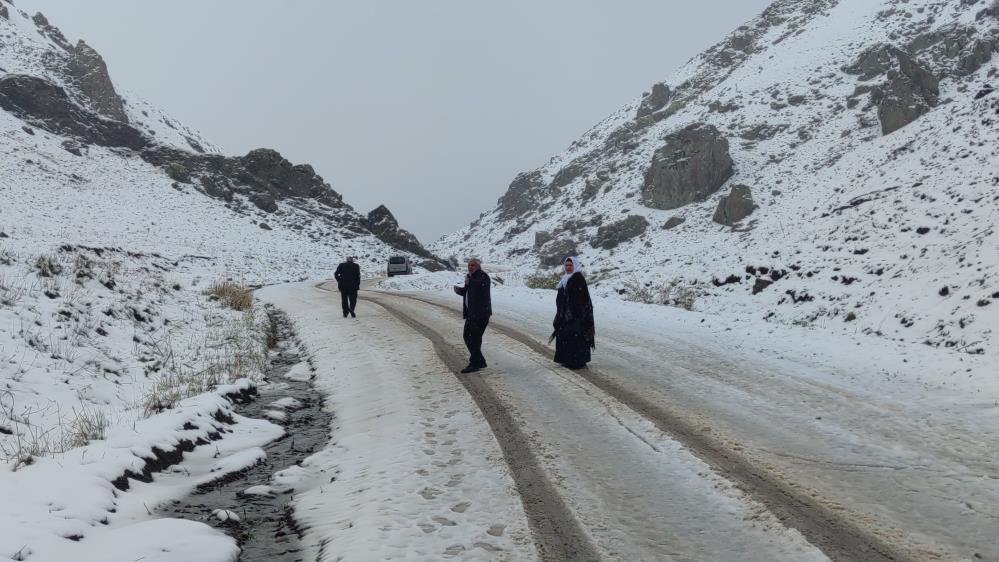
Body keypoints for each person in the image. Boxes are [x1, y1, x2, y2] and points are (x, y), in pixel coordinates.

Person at [551, 256, 595, 369]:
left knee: (575, 336)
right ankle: (567, 359)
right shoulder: (565, 278)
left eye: (570, 265)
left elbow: (579, 298)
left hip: (577, 315)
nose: (568, 267)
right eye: (566, 265)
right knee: (566, 335)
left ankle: (577, 361)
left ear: (575, 266)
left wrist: (573, 313)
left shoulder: (578, 278)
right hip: (566, 314)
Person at [453, 258, 491, 373]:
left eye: (473, 265)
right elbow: (468, 291)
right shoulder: (470, 277)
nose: (470, 267)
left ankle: (476, 362)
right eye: (469, 265)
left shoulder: (483, 276)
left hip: (480, 314)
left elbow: (481, 286)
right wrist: (460, 290)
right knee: (470, 337)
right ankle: (479, 361)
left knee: (472, 338)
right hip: (472, 314)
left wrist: (470, 282)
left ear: (478, 266)